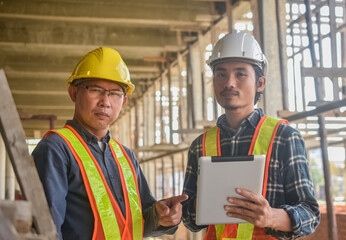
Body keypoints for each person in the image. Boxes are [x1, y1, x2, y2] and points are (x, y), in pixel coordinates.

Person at [32, 47, 188, 240]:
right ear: (74, 93)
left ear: (123, 102)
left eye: (115, 93)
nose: (105, 101)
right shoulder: (55, 149)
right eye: (96, 90)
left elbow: (136, 224)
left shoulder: (125, 156)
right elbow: (46, 229)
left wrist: (161, 216)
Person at [182, 31, 320, 239]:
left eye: (240, 74)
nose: (229, 82)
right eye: (221, 74)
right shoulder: (200, 145)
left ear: (260, 83)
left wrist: (271, 217)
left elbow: (310, 214)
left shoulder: (284, 138)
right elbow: (189, 219)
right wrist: (183, 208)